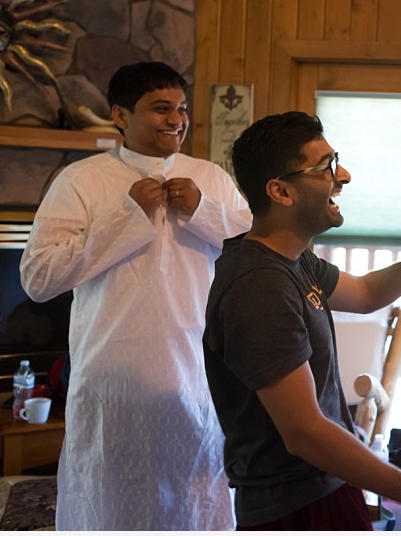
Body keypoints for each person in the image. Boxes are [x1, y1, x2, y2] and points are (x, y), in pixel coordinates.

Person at [203, 111, 401, 531]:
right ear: (280, 191)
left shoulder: (292, 261)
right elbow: (304, 432)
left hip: (325, 487)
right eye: (326, 167)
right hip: (296, 507)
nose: (344, 176)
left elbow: (367, 294)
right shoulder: (259, 286)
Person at [20, 61, 252, 530]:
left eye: (182, 109)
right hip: (112, 383)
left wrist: (204, 211)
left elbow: (252, 253)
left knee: (193, 501)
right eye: (161, 108)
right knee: (109, 502)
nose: (177, 120)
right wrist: (128, 214)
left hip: (197, 376)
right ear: (121, 116)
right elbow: (38, 277)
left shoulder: (211, 180)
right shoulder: (80, 181)